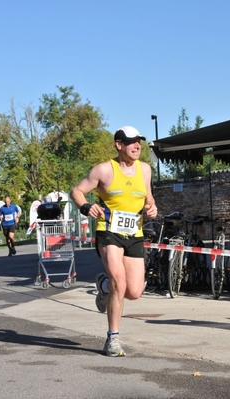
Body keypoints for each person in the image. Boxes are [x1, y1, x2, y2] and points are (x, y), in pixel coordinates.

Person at [70, 126, 157, 357]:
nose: (137, 146)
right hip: (108, 231)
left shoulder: (145, 170)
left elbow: (148, 196)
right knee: (119, 281)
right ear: (119, 144)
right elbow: (76, 191)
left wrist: (152, 206)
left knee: (134, 291)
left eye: (139, 141)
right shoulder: (104, 170)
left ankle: (103, 286)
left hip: (134, 234)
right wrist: (87, 207)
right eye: (131, 142)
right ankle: (113, 339)